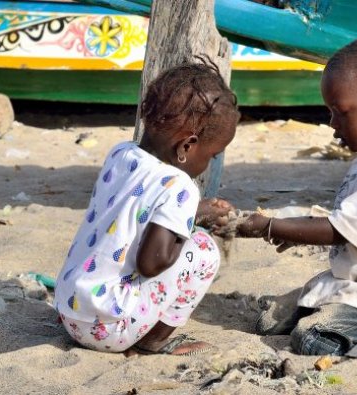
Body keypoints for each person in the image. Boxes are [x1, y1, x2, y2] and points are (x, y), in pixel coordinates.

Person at [232, 35, 357, 355]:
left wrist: (270, 227)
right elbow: (346, 220)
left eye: (340, 112)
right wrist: (296, 230)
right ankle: (347, 318)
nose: (332, 123)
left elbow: (343, 230)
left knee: (311, 338)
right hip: (353, 287)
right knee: (268, 324)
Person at [54, 59, 239, 356]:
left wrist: (190, 213)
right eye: (213, 155)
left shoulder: (121, 154)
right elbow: (151, 264)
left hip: (69, 309)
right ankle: (152, 340)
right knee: (204, 250)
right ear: (186, 147)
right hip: (108, 330)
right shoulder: (180, 186)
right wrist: (188, 221)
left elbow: (134, 210)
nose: (211, 162)